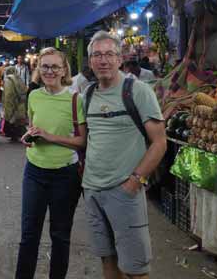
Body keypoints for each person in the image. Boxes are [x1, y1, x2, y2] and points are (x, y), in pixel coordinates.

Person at [83, 31, 167, 279]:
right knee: (108, 259)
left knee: (135, 268)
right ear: (90, 62)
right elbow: (89, 139)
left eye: (109, 54)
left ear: (120, 59)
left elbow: (159, 142)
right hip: (92, 191)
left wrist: (135, 180)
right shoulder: (87, 94)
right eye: (97, 55)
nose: (103, 60)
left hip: (123, 191)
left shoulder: (138, 91)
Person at [15, 47, 86, 279]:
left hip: (65, 176)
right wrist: (30, 137)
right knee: (28, 236)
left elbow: (82, 141)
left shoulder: (76, 100)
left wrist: (49, 136)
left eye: (55, 66)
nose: (50, 71)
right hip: (34, 172)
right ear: (38, 69)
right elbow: (34, 127)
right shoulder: (34, 95)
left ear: (64, 69)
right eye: (45, 66)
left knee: (60, 236)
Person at [2, 66, 27, 141]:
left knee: (12, 120)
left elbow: (8, 94)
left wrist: (8, 106)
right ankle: (17, 136)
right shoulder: (19, 79)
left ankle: (16, 136)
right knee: (19, 122)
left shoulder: (8, 80)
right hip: (21, 103)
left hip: (13, 103)